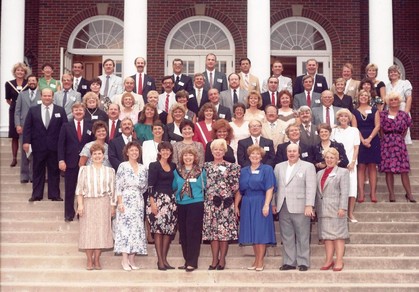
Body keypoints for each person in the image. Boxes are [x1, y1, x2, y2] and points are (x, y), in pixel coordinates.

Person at [273, 144, 316, 272]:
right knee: (286, 235)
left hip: (301, 206)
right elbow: (275, 187)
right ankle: (289, 262)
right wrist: (273, 204)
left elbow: (311, 187)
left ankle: (303, 262)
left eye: (294, 151)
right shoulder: (279, 166)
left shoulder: (308, 166)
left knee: (303, 235)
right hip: (283, 205)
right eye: (289, 151)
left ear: (299, 152)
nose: (291, 153)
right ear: (286, 153)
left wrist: (309, 205)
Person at [75, 143, 116, 270]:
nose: (97, 156)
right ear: (91, 156)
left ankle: (97, 259)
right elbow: (79, 189)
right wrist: (80, 205)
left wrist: (112, 206)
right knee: (88, 232)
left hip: (104, 203)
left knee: (101, 232)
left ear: (103, 156)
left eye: (99, 154)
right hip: (88, 203)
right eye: (94, 154)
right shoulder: (84, 170)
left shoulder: (110, 171)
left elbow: (113, 190)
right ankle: (89, 260)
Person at [235, 145, 276, 271]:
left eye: (258, 154)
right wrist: (236, 206)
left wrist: (266, 204)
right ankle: (256, 259)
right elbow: (240, 190)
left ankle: (260, 261)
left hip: (260, 201)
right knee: (253, 232)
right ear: (249, 156)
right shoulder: (244, 170)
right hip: (247, 203)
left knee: (260, 232)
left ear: (261, 156)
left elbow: (270, 187)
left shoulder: (267, 169)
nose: (255, 156)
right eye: (253, 154)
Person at [23, 88, 68, 202]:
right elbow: (28, 127)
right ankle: (36, 195)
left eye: (49, 96)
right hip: (38, 146)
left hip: (55, 147)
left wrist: (64, 144)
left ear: (53, 97)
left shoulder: (60, 110)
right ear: (41, 96)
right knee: (37, 170)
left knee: (54, 171)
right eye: (45, 95)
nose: (47, 98)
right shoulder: (33, 110)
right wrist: (26, 141)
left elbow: (65, 129)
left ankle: (54, 194)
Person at [202, 139, 240, 270]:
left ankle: (222, 259)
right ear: (211, 151)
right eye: (215, 149)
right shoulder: (205, 166)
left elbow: (236, 187)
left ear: (224, 151)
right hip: (211, 204)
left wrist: (234, 204)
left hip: (226, 204)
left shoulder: (232, 167)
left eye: (220, 149)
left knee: (224, 233)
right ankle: (214, 259)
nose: (218, 152)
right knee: (213, 233)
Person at [114, 142, 148, 271]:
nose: (134, 152)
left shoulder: (143, 168)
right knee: (125, 229)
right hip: (125, 199)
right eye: (132, 150)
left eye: (136, 151)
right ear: (127, 152)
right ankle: (124, 260)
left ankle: (132, 259)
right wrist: (120, 202)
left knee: (137, 229)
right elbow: (118, 185)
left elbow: (144, 187)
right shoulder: (123, 166)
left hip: (138, 200)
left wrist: (137, 195)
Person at [316, 147, 350, 272]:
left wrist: (343, 207)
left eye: (332, 158)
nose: (329, 160)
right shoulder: (319, 173)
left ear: (337, 159)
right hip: (323, 210)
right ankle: (329, 260)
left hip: (336, 209)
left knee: (338, 236)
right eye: (327, 157)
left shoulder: (343, 172)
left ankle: (339, 260)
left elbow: (345, 192)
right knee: (327, 237)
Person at [58, 103, 93, 222]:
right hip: (70, 162)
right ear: (72, 112)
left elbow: (93, 144)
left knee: (84, 189)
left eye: (81, 110)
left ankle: (81, 212)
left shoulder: (90, 125)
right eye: (76, 110)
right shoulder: (66, 126)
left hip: (86, 163)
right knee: (70, 189)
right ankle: (68, 213)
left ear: (84, 111)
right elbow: (61, 145)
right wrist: (61, 160)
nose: (78, 112)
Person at [173, 146, 207, 272]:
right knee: (184, 233)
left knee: (193, 233)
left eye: (190, 155)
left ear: (195, 157)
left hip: (196, 203)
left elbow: (206, 186)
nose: (188, 157)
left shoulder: (201, 171)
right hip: (181, 204)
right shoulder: (176, 171)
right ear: (182, 158)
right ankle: (187, 260)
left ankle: (193, 262)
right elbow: (174, 186)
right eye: (185, 155)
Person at [379, 92, 415, 203]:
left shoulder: (404, 115)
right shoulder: (383, 114)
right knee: (388, 170)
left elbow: (406, 129)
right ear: (388, 102)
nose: (393, 101)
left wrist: (398, 138)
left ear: (399, 101)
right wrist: (385, 138)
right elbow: (380, 128)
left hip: (399, 143)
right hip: (387, 143)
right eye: (391, 100)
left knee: (404, 169)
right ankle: (391, 194)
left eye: (395, 99)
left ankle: (409, 193)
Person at [146, 142, 177, 270]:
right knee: (158, 231)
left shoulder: (173, 165)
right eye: (163, 150)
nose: (165, 152)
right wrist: (152, 203)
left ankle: (165, 259)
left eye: (168, 150)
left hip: (170, 201)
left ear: (170, 152)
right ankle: (160, 261)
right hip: (157, 200)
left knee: (168, 231)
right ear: (159, 152)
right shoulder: (154, 165)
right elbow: (150, 185)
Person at [331, 109, 360, 222]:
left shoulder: (354, 130)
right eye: (341, 116)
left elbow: (356, 147)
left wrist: (352, 162)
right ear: (338, 118)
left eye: (346, 116)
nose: (343, 118)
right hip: (337, 164)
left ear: (349, 119)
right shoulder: (334, 131)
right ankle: (339, 213)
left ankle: (351, 214)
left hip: (351, 165)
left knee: (352, 189)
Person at [353, 90, 381, 202]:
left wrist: (369, 138)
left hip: (373, 139)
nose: (363, 97)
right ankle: (361, 193)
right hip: (360, 139)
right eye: (361, 95)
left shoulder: (374, 110)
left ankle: (373, 193)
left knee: (372, 166)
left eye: (366, 95)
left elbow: (378, 126)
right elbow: (355, 128)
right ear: (358, 97)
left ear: (369, 97)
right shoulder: (354, 112)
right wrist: (362, 140)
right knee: (361, 166)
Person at [14, 74, 40, 182]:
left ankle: (33, 175)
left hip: (38, 128)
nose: (31, 82)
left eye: (33, 80)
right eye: (30, 81)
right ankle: (24, 175)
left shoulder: (41, 94)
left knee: (35, 152)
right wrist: (18, 125)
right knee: (25, 152)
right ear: (27, 83)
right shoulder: (22, 95)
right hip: (24, 127)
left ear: (37, 82)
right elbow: (17, 111)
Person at [5, 62, 29, 167]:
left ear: (25, 73)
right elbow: (8, 99)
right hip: (14, 111)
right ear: (15, 72)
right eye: (18, 70)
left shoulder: (28, 83)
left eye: (22, 71)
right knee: (15, 135)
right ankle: (14, 158)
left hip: (26, 111)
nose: (20, 72)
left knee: (27, 135)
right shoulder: (9, 84)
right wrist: (16, 106)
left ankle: (27, 158)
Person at [386, 65, 413, 144]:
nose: (393, 74)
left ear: (399, 73)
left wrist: (406, 113)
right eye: (391, 72)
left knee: (402, 132)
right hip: (390, 110)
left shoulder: (405, 83)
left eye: (395, 72)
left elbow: (409, 98)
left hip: (401, 108)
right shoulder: (387, 86)